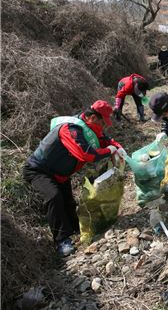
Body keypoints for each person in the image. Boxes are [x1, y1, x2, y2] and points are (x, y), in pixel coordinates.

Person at [23, 101, 123, 256]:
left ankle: (77, 229)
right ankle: (61, 241)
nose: (104, 127)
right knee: (53, 197)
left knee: (69, 203)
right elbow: (86, 155)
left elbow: (106, 140)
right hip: (38, 170)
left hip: (60, 174)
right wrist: (109, 151)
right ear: (93, 118)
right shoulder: (70, 129)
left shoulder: (89, 128)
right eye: (103, 122)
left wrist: (118, 148)